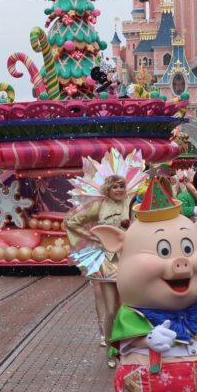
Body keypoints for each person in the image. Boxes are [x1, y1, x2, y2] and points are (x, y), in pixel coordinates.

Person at [65, 150, 146, 368]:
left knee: (129, 305)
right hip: (108, 260)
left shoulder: (132, 204)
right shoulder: (99, 206)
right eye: (115, 186)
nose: (120, 190)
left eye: (122, 186)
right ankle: (112, 348)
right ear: (107, 189)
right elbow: (72, 222)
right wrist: (96, 238)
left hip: (130, 259)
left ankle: (129, 345)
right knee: (112, 308)